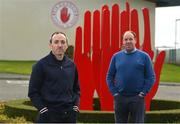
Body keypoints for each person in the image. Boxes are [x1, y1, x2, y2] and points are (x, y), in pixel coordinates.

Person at [28, 32, 80, 123]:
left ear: (66, 45)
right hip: (48, 117)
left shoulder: (71, 65)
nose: (60, 45)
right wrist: (43, 110)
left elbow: (76, 89)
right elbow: (33, 93)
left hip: (69, 116)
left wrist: (75, 106)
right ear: (50, 45)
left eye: (63, 42)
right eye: (56, 42)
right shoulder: (40, 65)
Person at [106, 31, 155, 123]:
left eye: (130, 39)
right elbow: (109, 76)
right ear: (123, 42)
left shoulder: (144, 56)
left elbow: (151, 77)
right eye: (126, 39)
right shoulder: (116, 57)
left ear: (135, 40)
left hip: (137, 98)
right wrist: (114, 93)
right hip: (120, 98)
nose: (128, 41)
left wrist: (143, 93)